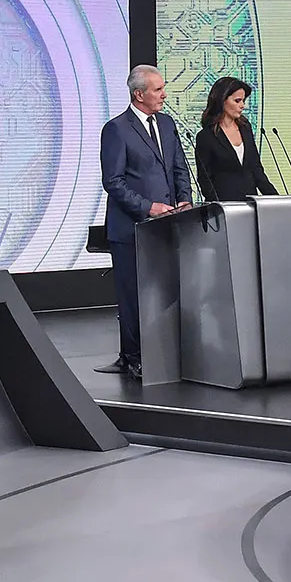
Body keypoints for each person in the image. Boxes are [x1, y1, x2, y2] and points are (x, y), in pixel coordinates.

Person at [97, 65, 192, 377]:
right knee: (133, 296)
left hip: (168, 226)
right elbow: (113, 181)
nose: (164, 94)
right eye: (157, 90)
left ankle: (165, 353)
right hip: (131, 228)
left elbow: (178, 166)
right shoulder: (117, 129)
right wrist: (148, 207)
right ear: (139, 94)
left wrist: (183, 198)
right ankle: (133, 358)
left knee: (166, 292)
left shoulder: (166, 124)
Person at [193, 76, 279, 204]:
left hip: (250, 206)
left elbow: (256, 169)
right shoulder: (206, 137)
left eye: (243, 101)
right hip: (224, 209)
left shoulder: (245, 128)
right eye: (237, 101)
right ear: (222, 100)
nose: (242, 106)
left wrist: (276, 199)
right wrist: (219, 207)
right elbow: (205, 179)